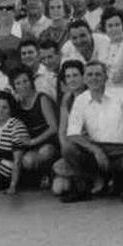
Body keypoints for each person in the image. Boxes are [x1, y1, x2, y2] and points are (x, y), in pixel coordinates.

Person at [59, 61, 123, 204]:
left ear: (105, 77)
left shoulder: (120, 93)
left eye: (98, 74)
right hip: (95, 153)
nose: (94, 78)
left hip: (122, 151)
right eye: (89, 74)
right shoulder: (80, 100)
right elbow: (73, 134)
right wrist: (96, 150)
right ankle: (84, 188)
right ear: (84, 78)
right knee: (68, 148)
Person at [11, 67, 58, 182]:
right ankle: (38, 178)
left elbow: (53, 127)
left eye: (25, 81)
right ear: (14, 87)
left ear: (31, 82)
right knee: (27, 161)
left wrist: (33, 141)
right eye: (18, 83)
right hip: (29, 144)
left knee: (44, 152)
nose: (23, 86)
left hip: (47, 141)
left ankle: (50, 174)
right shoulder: (17, 103)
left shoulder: (42, 99)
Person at [50, 60, 86, 196]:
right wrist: (66, 150)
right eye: (68, 76)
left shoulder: (90, 95)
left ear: (83, 77)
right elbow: (62, 130)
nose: (72, 80)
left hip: (89, 146)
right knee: (58, 189)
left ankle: (84, 180)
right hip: (73, 148)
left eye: (75, 75)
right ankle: (76, 176)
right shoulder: (67, 98)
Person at [99, 7, 123, 86]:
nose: (114, 29)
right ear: (105, 28)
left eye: (117, 25)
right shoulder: (103, 45)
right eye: (110, 26)